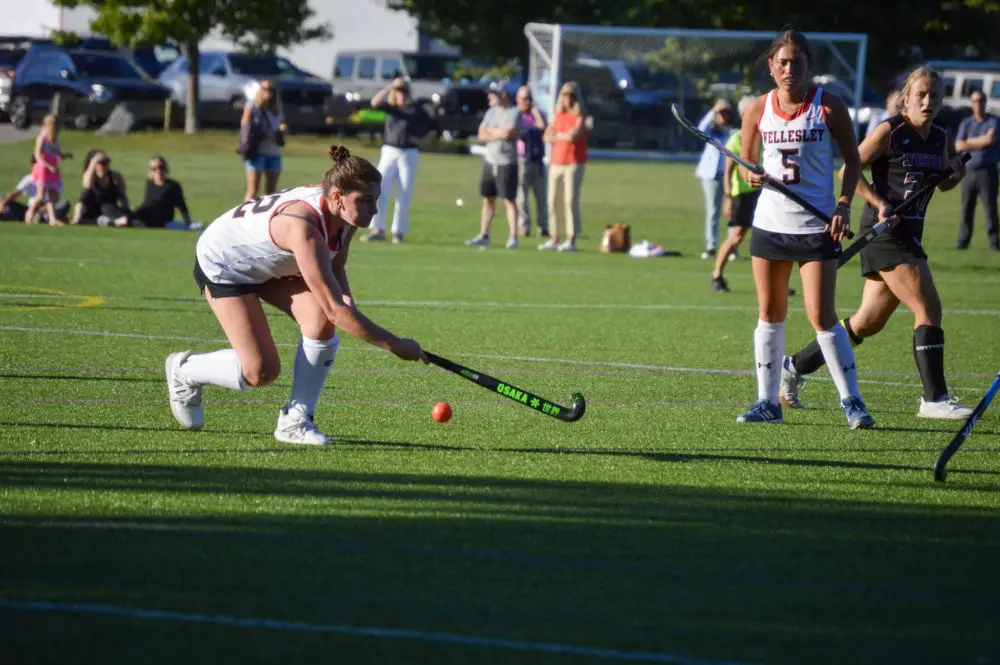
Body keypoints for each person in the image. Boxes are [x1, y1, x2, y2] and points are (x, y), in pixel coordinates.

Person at [164, 145, 427, 445]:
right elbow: (336, 311)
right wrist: (396, 345)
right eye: (366, 201)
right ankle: (185, 371)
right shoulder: (304, 227)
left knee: (319, 322)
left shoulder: (345, 214)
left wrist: (347, 297)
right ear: (338, 198)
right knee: (260, 371)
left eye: (376, 200)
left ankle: (295, 421)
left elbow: (336, 263)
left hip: (271, 263)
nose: (374, 210)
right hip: (225, 263)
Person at [780, 67, 974, 420]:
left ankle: (793, 367)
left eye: (934, 95)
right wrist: (879, 201)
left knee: (865, 323)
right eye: (921, 95)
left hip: (911, 233)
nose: (928, 101)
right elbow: (848, 171)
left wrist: (956, 174)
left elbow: (943, 182)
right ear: (907, 98)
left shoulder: (941, 136)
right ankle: (934, 398)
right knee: (928, 308)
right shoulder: (890, 130)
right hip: (884, 234)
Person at [735, 26, 873, 429]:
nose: (789, 68)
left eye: (797, 61)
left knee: (821, 314)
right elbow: (747, 165)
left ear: (808, 65)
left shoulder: (828, 107)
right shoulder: (757, 110)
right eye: (782, 62)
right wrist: (753, 176)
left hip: (815, 226)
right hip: (770, 225)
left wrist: (844, 205)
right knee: (770, 312)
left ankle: (853, 401)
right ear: (771, 67)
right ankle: (767, 402)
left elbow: (852, 162)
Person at [361, 76, 435, 244]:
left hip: (409, 152)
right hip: (389, 151)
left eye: (404, 91)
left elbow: (433, 128)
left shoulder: (416, 109)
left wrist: (421, 141)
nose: (402, 94)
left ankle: (398, 232)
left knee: (404, 193)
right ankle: (378, 229)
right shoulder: (391, 108)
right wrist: (390, 87)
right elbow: (374, 103)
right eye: (399, 91)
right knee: (380, 191)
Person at [711, 97, 760, 292]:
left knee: (772, 238)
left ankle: (777, 283)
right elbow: (728, 170)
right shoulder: (737, 139)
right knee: (736, 237)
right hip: (743, 194)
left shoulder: (764, 136)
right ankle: (716, 274)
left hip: (762, 193)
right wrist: (728, 198)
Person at [465, 84, 520, 249]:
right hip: (490, 160)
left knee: (508, 200)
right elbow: (481, 134)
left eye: (494, 94)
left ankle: (513, 237)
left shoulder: (514, 112)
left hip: (507, 162)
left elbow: (508, 133)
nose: (490, 97)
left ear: (503, 94)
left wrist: (492, 132)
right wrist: (497, 132)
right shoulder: (491, 112)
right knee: (487, 199)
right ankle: (484, 234)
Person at [539, 81, 589, 252]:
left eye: (571, 96)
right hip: (556, 162)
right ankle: (554, 237)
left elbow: (573, 136)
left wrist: (557, 136)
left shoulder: (580, 116)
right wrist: (558, 136)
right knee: (552, 201)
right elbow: (546, 136)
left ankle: (571, 239)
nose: (568, 99)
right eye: (565, 95)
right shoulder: (558, 115)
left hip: (573, 163)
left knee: (569, 201)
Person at [954, 89, 999, 250]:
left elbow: (991, 139)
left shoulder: (993, 121)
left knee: (990, 207)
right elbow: (958, 145)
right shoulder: (967, 122)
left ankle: (994, 243)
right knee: (966, 207)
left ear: (985, 102)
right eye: (974, 101)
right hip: (968, 171)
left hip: (987, 171)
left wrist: (969, 142)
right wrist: (980, 142)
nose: (977, 104)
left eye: (980, 101)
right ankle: (963, 242)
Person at [695, 99, 736, 260]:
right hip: (710, 176)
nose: (723, 116)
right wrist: (713, 111)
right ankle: (711, 246)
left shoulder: (732, 132)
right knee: (713, 210)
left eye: (726, 113)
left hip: (730, 175)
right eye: (720, 113)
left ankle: (732, 246)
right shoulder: (711, 132)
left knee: (732, 211)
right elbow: (699, 129)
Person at [242, 79, 287, 202]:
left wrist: (282, 129)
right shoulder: (252, 107)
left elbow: (282, 123)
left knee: (271, 193)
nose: (268, 92)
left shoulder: (276, 109)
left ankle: (265, 218)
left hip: (274, 151)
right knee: (252, 191)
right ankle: (245, 218)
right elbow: (245, 126)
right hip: (257, 151)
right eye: (265, 88)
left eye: (271, 89)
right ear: (259, 90)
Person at [133, 155, 202, 230]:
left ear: (165, 168)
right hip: (147, 213)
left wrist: (188, 223)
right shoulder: (149, 184)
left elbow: (182, 206)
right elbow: (146, 202)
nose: (158, 171)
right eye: (154, 169)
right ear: (151, 171)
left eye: (160, 167)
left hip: (162, 219)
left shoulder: (173, 186)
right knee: (129, 216)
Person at [24, 114, 70, 226]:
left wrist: (63, 155)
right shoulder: (42, 138)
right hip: (43, 168)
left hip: (53, 168)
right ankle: (29, 213)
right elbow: (38, 154)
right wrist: (48, 166)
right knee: (41, 196)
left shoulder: (55, 139)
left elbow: (55, 152)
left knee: (53, 195)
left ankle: (52, 219)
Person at [514, 85, 548, 237]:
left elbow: (543, 127)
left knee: (541, 196)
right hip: (522, 158)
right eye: (524, 98)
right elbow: (522, 132)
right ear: (518, 100)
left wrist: (535, 111)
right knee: (522, 196)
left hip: (537, 159)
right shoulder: (516, 115)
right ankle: (524, 227)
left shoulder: (537, 114)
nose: (527, 101)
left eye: (529, 98)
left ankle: (544, 227)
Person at [1, 156, 69, 223]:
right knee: (3, 200)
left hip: (46, 210)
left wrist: (41, 209)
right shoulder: (29, 179)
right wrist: (3, 203)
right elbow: (15, 194)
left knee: (64, 204)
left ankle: (40, 218)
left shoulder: (54, 180)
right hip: (28, 209)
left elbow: (55, 200)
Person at [73, 150, 131, 227]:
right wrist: (93, 162)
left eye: (106, 162)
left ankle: (107, 221)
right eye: (101, 163)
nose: (104, 166)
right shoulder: (90, 177)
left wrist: (126, 210)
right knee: (83, 197)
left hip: (108, 206)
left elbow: (123, 196)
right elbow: (87, 186)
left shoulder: (115, 176)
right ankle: (106, 222)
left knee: (121, 216)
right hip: (91, 206)